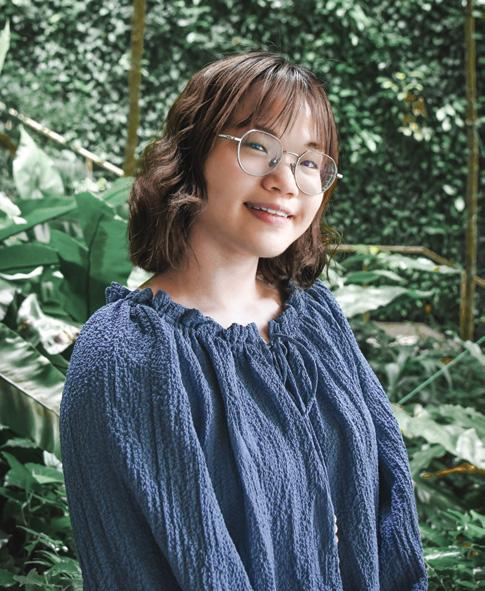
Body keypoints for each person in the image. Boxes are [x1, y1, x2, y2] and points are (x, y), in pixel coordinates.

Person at [60, 51, 428, 590]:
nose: (286, 181)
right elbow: (135, 564)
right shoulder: (125, 351)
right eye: (259, 146)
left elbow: (386, 505)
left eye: (310, 162)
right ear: (193, 152)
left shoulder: (314, 316)